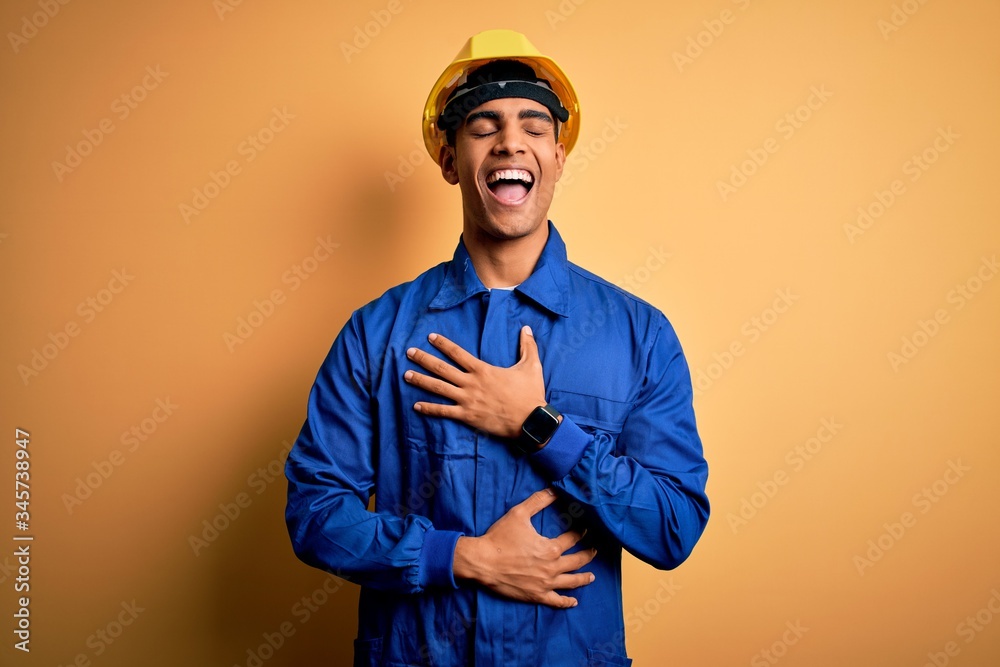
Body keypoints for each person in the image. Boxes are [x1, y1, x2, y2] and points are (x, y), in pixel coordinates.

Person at [284, 29, 709, 667]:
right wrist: (461, 558)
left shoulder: (639, 335)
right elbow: (315, 513)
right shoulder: (377, 332)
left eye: (534, 127)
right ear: (451, 161)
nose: (512, 141)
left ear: (558, 157)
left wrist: (539, 427)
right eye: (484, 126)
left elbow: (672, 527)